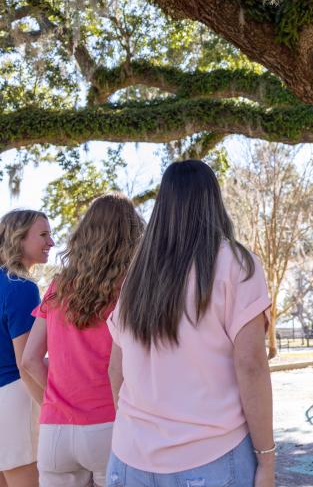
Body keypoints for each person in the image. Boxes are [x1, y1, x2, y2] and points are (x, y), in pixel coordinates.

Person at [106, 160, 274, 487]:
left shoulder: (138, 275)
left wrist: (136, 433)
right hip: (211, 455)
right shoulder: (238, 264)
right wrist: (266, 457)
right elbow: (251, 365)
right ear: (213, 201)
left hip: (128, 458)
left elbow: (116, 369)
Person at [22, 194, 145, 487]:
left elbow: (28, 360)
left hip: (55, 432)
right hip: (111, 424)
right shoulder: (132, 288)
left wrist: (56, 403)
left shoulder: (58, 286)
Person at [0, 210, 54, 487]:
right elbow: (26, 363)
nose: (52, 242)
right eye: (43, 234)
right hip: (15, 400)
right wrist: (54, 408)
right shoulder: (19, 287)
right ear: (19, 239)